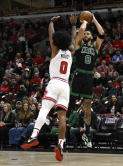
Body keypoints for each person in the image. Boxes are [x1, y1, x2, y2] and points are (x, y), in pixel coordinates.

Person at [21, 14, 77, 162]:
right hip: (65, 85)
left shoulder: (55, 50)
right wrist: (73, 25)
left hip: (54, 83)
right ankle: (60, 144)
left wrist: (51, 22)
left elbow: (51, 34)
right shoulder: (71, 52)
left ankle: (33, 136)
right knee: (62, 117)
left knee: (44, 110)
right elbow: (73, 39)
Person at [68, 12, 104, 149]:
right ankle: (63, 131)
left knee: (87, 107)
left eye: (88, 34)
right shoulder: (79, 45)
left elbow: (102, 33)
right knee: (71, 103)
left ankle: (87, 135)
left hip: (89, 77)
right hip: (79, 75)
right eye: (85, 34)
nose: (86, 35)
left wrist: (93, 19)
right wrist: (84, 22)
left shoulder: (95, 47)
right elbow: (80, 32)